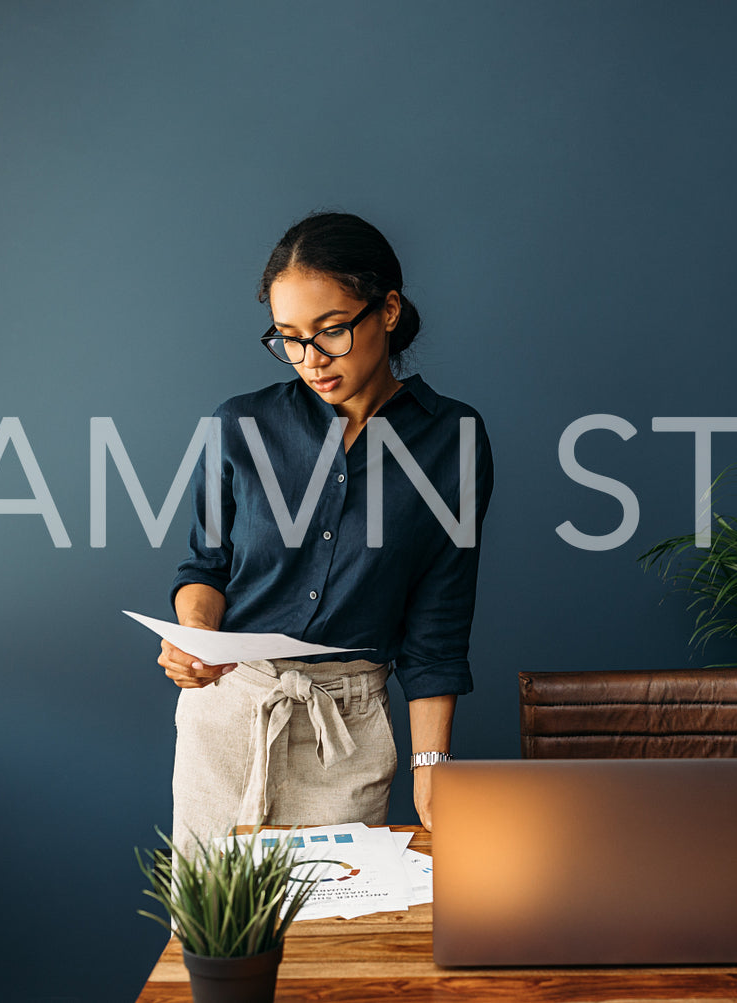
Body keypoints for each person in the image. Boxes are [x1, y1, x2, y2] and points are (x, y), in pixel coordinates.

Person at [159, 211, 493, 861]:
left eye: (331, 331)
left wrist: (431, 764)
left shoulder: (452, 442)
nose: (310, 359)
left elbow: (438, 623)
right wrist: (193, 637)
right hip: (228, 719)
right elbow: (205, 565)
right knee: (215, 944)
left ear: (387, 310)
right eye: (288, 337)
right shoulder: (240, 424)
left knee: (327, 939)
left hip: (347, 727)